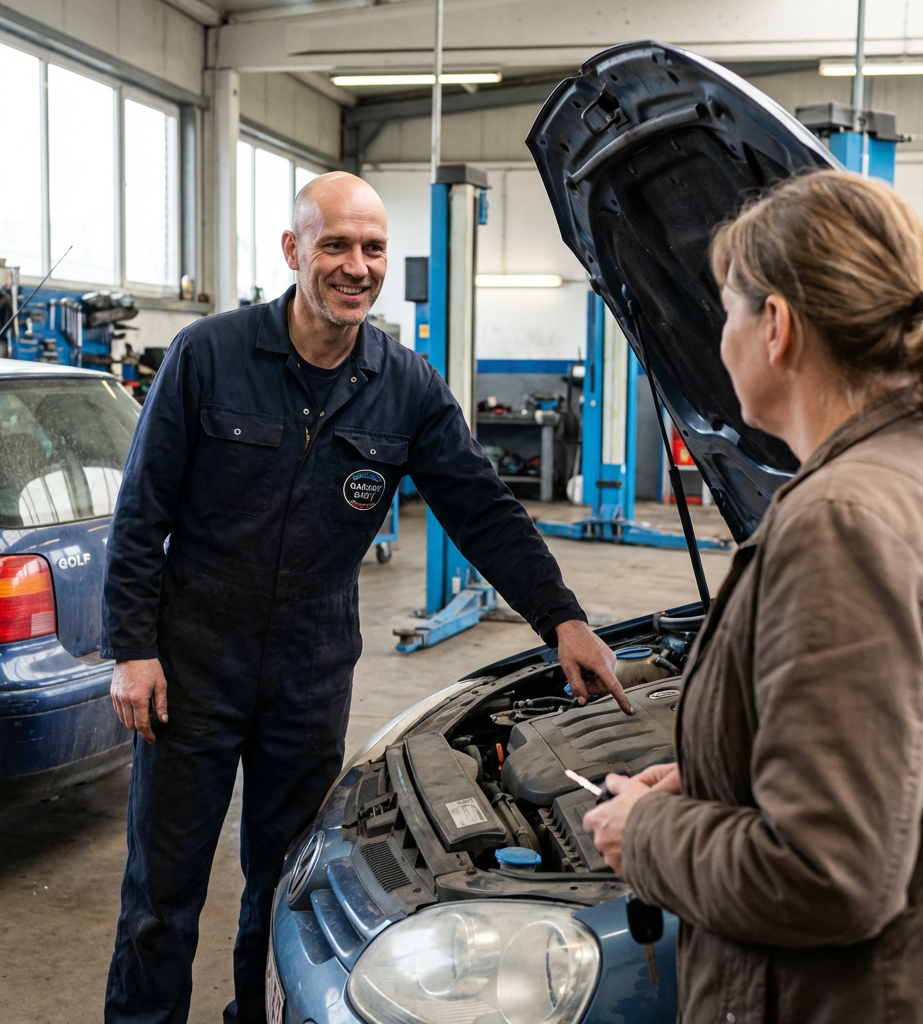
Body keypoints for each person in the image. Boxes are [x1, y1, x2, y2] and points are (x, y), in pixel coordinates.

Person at [102, 171, 630, 1024]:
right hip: (193, 663)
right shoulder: (210, 355)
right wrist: (132, 648)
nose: (357, 266)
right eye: (336, 245)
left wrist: (561, 617)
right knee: (162, 901)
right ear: (293, 251)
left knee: (283, 893)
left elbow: (483, 510)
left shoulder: (406, 384)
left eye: (374, 248)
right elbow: (141, 512)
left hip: (308, 675)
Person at [584, 169, 923, 1024]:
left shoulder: (840, 521)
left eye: (727, 308)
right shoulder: (901, 478)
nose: (719, 335)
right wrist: (713, 778)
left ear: (776, 327)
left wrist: (649, 835)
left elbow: (829, 873)